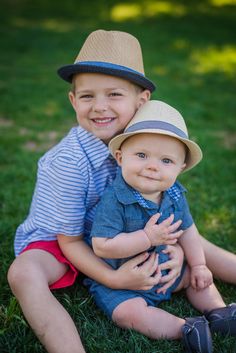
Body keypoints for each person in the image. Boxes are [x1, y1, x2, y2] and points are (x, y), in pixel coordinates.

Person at [6, 29, 236, 353]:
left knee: (191, 237)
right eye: (87, 96)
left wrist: (182, 253)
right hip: (62, 241)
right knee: (23, 272)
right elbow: (69, 240)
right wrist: (116, 281)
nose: (100, 107)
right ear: (73, 101)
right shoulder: (67, 162)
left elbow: (168, 208)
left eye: (114, 95)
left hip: (124, 233)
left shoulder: (142, 144)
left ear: (141, 102)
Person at [87, 100, 236, 352]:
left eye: (166, 161)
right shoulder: (114, 199)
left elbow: (188, 231)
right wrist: (146, 237)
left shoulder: (175, 194)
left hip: (169, 271)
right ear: (121, 157)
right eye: (142, 155)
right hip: (125, 282)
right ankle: (186, 328)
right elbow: (101, 246)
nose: (153, 166)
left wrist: (199, 265)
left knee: (197, 279)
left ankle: (220, 314)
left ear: (181, 168)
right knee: (128, 313)